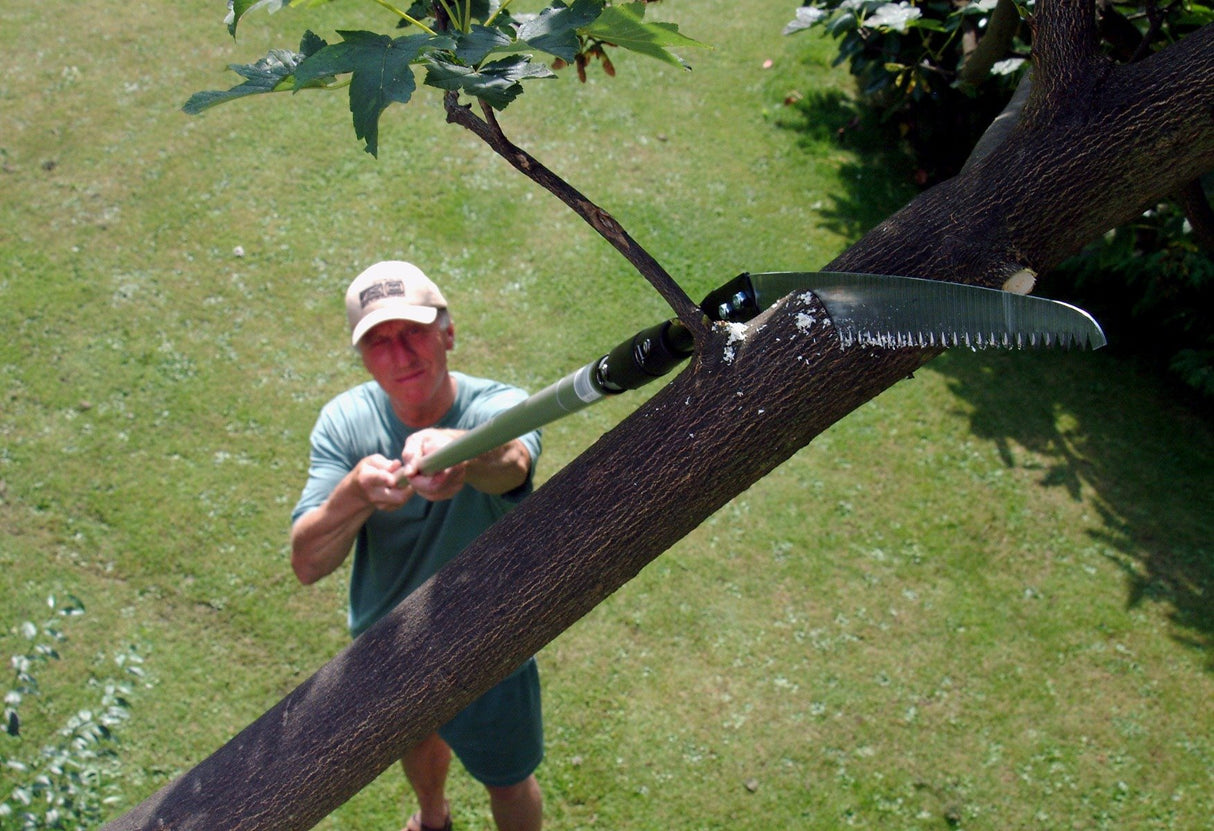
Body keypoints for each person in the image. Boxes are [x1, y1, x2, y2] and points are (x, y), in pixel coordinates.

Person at [290, 260, 544, 831]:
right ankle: (434, 817)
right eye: (378, 343)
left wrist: (456, 451)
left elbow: (511, 464)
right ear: (362, 357)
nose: (400, 356)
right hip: (390, 648)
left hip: (492, 643)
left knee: (509, 780)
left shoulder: (498, 407)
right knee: (417, 735)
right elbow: (308, 563)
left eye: (413, 333)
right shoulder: (344, 423)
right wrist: (354, 492)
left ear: (448, 334)